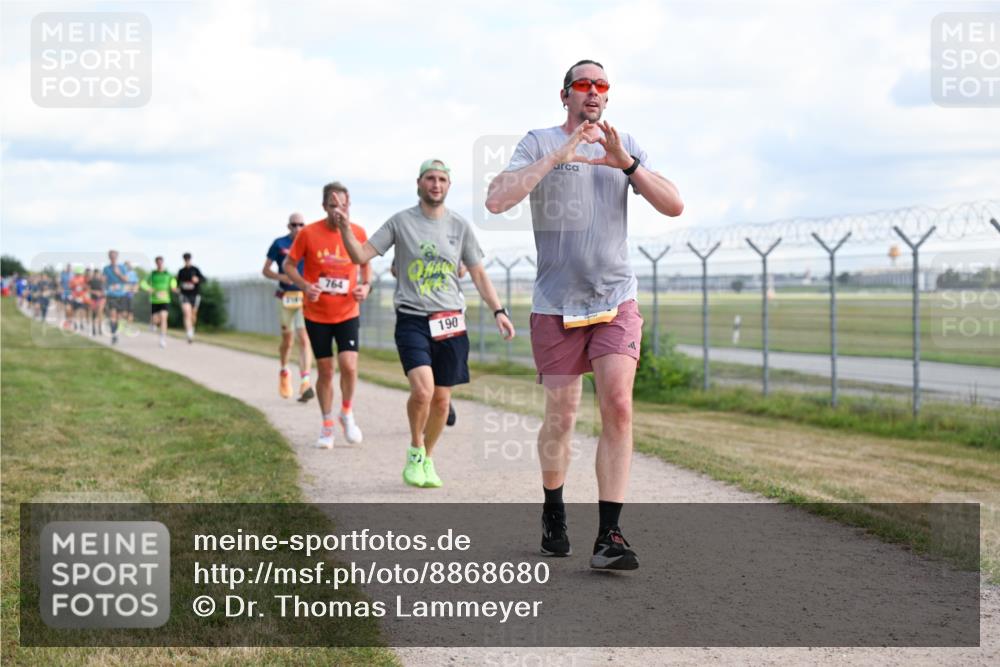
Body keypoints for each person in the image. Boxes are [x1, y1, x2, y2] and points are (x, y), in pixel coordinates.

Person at [486, 59, 684, 570]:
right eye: (584, 85)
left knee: (618, 405)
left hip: (615, 300)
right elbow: (497, 200)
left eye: (602, 86)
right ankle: (554, 509)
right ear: (566, 94)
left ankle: (610, 535)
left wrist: (627, 164)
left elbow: (674, 205)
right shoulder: (538, 141)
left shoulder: (623, 145)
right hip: (557, 306)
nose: (593, 92)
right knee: (562, 417)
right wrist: (557, 157)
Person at [334, 159, 515, 488]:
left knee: (442, 402)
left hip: (450, 322)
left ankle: (427, 458)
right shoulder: (401, 222)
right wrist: (345, 227)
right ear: (419, 183)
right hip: (413, 319)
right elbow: (360, 256)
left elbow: (478, 273)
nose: (436, 184)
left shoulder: (459, 226)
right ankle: (415, 448)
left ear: (449, 185)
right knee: (423, 391)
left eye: (442, 179)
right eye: (430, 178)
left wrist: (499, 311)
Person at [283, 182, 371, 449]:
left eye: (342, 206)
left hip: (347, 311)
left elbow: (366, 264)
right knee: (325, 369)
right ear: (324, 207)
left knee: (349, 364)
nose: (338, 212)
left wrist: (365, 286)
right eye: (333, 206)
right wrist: (305, 285)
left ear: (349, 205)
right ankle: (327, 424)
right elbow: (289, 265)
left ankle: (346, 412)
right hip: (317, 314)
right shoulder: (309, 234)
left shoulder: (357, 232)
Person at [263, 213, 315, 402]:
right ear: (288, 226)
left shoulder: (309, 243)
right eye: (294, 225)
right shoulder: (279, 244)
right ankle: (284, 371)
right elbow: (265, 270)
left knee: (304, 338)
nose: (298, 228)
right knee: (288, 340)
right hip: (285, 297)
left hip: (303, 297)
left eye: (301, 224)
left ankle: (305, 382)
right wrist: (282, 277)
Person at [141, 256, 178, 348]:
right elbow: (143, 283)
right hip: (154, 300)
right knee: (155, 319)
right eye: (158, 262)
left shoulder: (168, 274)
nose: (159, 264)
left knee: (164, 317)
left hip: (165, 300)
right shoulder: (152, 274)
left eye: (161, 262)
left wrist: (173, 287)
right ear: (156, 263)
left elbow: (173, 282)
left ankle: (162, 339)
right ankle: (153, 324)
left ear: (163, 263)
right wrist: (148, 288)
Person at [177, 253, 205, 343]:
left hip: (195, 295)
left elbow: (204, 279)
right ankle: (189, 334)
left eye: (188, 258)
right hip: (184, 295)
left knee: (193, 315)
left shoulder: (195, 270)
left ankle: (191, 328)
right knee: (187, 313)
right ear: (183, 260)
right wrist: (176, 288)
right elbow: (176, 282)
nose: (187, 260)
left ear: (190, 259)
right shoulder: (181, 271)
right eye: (185, 259)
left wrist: (198, 280)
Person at [103, 250, 129, 344]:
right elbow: (104, 281)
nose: (113, 258)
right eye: (111, 256)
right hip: (111, 295)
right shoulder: (106, 268)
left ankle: (115, 333)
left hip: (121, 295)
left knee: (119, 316)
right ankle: (113, 335)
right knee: (112, 315)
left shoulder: (122, 267)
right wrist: (105, 283)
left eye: (114, 256)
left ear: (117, 257)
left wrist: (118, 273)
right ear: (109, 257)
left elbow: (126, 280)